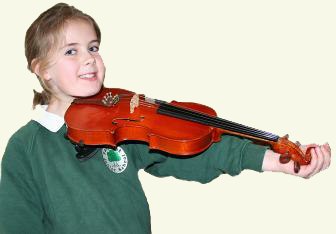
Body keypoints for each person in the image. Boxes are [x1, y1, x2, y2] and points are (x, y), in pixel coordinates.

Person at [0, 3, 331, 234]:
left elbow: (199, 147)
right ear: (41, 68)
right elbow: (17, 223)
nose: (89, 59)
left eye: (94, 47)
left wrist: (275, 159)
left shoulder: (121, 121)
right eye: (71, 51)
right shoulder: (26, 147)